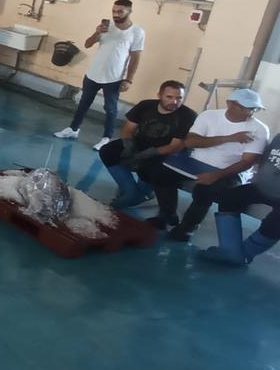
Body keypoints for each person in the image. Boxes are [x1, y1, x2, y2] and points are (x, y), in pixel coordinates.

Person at [149, 89, 269, 241]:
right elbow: (191, 141)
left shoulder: (260, 129)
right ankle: (167, 214)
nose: (251, 112)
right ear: (230, 104)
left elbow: (247, 162)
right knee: (160, 174)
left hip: (230, 170)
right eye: (246, 107)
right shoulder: (209, 116)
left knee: (205, 190)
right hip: (196, 161)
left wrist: (216, 175)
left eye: (255, 109)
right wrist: (229, 138)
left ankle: (187, 227)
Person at [53, 0, 145, 150]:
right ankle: (73, 129)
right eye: (114, 11)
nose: (116, 14)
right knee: (83, 103)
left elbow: (135, 58)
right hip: (93, 74)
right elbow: (87, 44)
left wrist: (129, 80)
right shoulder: (105, 27)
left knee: (110, 109)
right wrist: (96, 33)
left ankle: (106, 138)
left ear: (129, 11)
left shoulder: (137, 32)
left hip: (113, 77)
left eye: (120, 11)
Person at [98, 80, 197, 208]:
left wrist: (146, 154)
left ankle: (127, 198)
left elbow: (174, 146)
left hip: (165, 154)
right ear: (159, 95)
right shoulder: (145, 105)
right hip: (139, 144)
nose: (174, 102)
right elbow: (128, 129)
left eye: (179, 98)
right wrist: (129, 144)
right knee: (108, 151)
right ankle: (131, 190)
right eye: (169, 97)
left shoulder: (187, 115)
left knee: (150, 170)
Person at [198, 132, 280, 266]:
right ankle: (230, 250)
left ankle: (245, 253)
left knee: (275, 223)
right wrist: (259, 174)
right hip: (262, 187)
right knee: (229, 198)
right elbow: (267, 157)